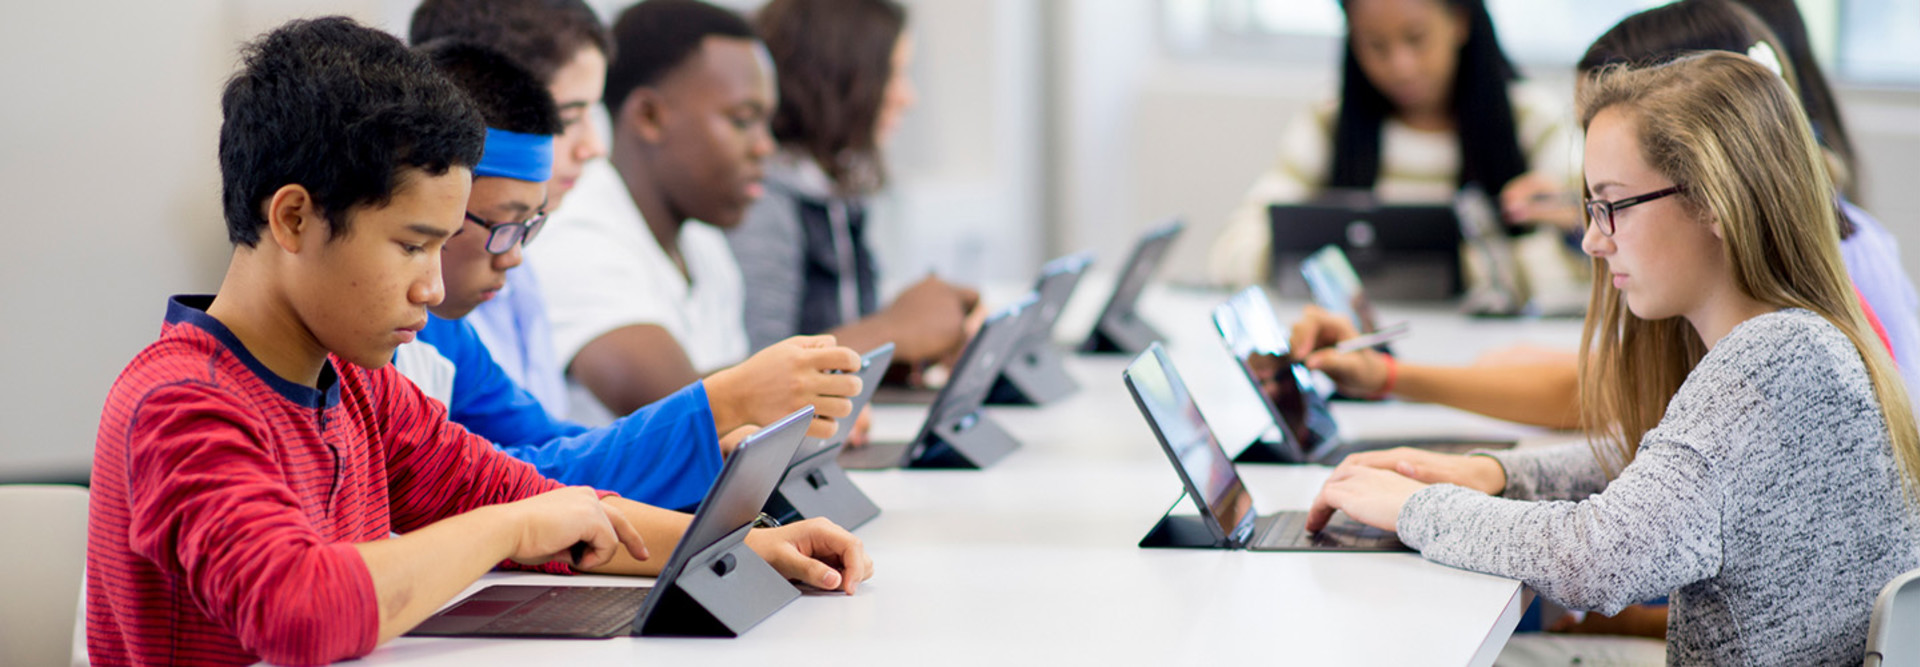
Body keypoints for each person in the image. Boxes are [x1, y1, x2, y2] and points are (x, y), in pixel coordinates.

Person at [84, 18, 871, 666]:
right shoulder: (182, 404)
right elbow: (300, 610)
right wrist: (512, 529)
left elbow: (539, 499)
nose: (432, 288)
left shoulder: (361, 387)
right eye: (409, 245)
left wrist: (744, 545)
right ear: (294, 218)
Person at [1305, 51, 1920, 664]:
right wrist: (1495, 475)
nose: (1593, 240)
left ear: (1713, 202)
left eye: (1612, 206)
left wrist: (1413, 509)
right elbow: (1665, 471)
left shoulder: (1776, 357)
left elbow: (1600, 559)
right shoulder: (1799, 342)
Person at [1290, 0, 1915, 429]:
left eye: (1614, 201)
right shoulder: (1809, 252)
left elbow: (1597, 419)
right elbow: (1615, 391)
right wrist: (1393, 377)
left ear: (1709, 180)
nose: (1593, 237)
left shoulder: (1784, 344)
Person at [395, 40, 861, 511]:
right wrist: (720, 405)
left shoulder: (447, 330)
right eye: (502, 224)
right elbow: (502, 486)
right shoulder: (396, 337)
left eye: (531, 226)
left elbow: (542, 449)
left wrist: (701, 450)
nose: (515, 257)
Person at [530, 0, 806, 422]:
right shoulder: (574, 230)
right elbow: (681, 413)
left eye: (766, 123)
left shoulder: (703, 242)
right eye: (742, 119)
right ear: (650, 116)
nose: (764, 146)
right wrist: (886, 333)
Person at [1205, 0, 1578, 289]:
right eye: (1376, 46)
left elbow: (1588, 262)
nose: (1401, 66)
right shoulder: (1329, 121)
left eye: (1417, 38)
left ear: (1459, 22)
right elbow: (1232, 252)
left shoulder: (1531, 120)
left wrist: (1571, 230)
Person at [728, 0, 977, 366]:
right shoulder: (762, 201)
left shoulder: (835, 192)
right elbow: (755, 374)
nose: (908, 98)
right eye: (892, 75)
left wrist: (913, 347)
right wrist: (893, 328)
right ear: (837, 75)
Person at [409, 0, 617, 417]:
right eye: (568, 117)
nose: (594, 147)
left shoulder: (510, 262)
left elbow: (533, 442)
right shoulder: (425, 308)